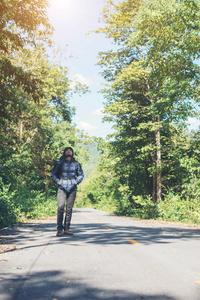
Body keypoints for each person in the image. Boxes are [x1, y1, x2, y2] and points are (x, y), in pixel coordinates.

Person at [51, 147, 84, 236]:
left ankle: (66, 229)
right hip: (62, 187)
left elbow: (81, 175)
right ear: (65, 152)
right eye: (67, 150)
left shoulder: (76, 164)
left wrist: (76, 182)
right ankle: (59, 229)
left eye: (70, 150)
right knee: (60, 208)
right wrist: (58, 182)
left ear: (72, 153)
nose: (68, 151)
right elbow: (53, 174)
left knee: (69, 209)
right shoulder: (59, 163)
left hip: (73, 188)